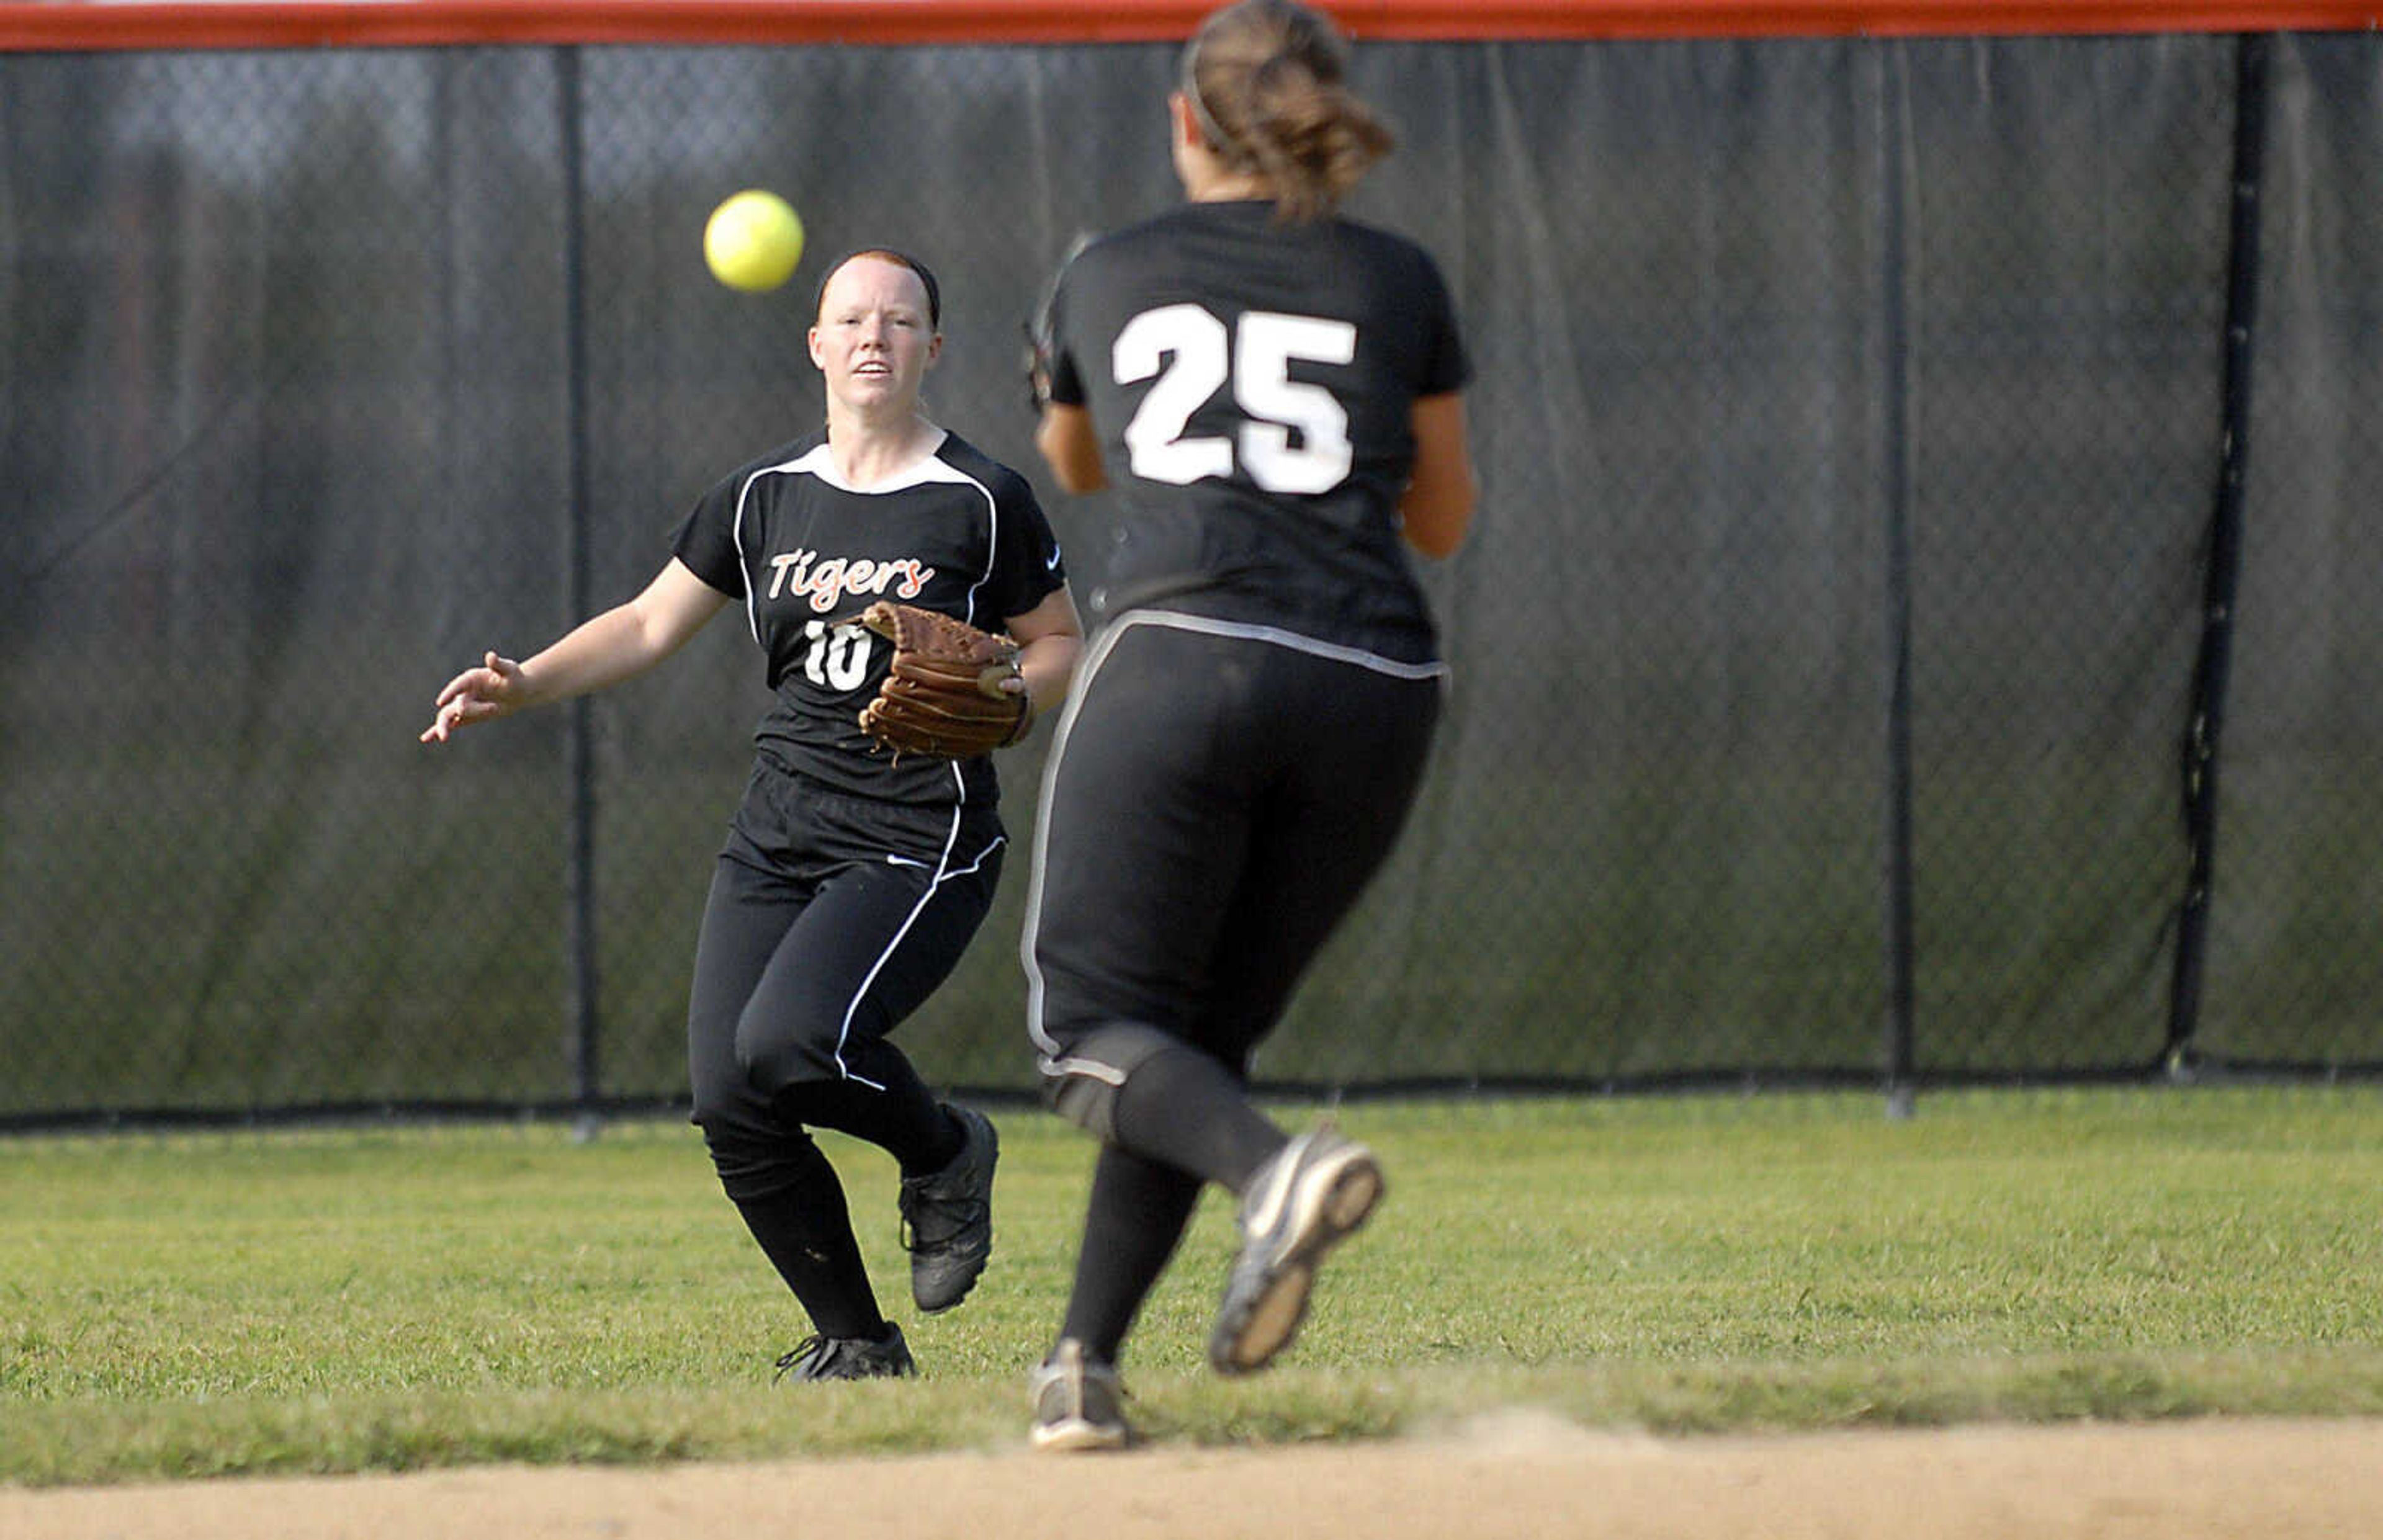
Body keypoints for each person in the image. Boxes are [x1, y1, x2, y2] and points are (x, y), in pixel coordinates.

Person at [422, 248, 1084, 1382]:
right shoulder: (762, 493)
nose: (875, 336)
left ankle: (945, 1148)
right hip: (780, 825)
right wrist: (525, 681)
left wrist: (1016, 693)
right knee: (732, 1096)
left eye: (901, 319)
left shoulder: (982, 499)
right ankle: (861, 1344)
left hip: (918, 830)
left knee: (789, 1044)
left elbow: (1060, 636)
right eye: (852, 319)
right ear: (818, 345)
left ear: (934, 347)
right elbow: (644, 623)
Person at [1018, 0, 1476, 1451]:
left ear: (1184, 121)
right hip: (1375, 682)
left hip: (1184, 653)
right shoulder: (1398, 277)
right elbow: (1444, 520)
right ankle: (1081, 1366)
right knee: (1189, 1039)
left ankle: (1278, 1173)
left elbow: (1078, 461)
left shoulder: (1110, 266)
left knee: (1088, 1032)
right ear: (1317, 114)